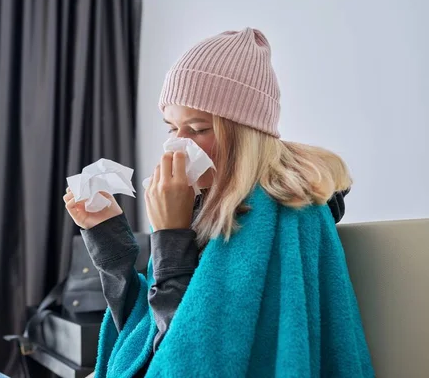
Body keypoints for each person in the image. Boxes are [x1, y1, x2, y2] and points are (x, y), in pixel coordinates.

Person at [64, 28, 372, 377]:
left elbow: (188, 360)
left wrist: (170, 238)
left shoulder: (277, 217)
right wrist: (108, 237)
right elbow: (143, 337)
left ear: (243, 136)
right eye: (171, 128)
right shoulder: (202, 206)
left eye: (197, 129)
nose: (177, 146)